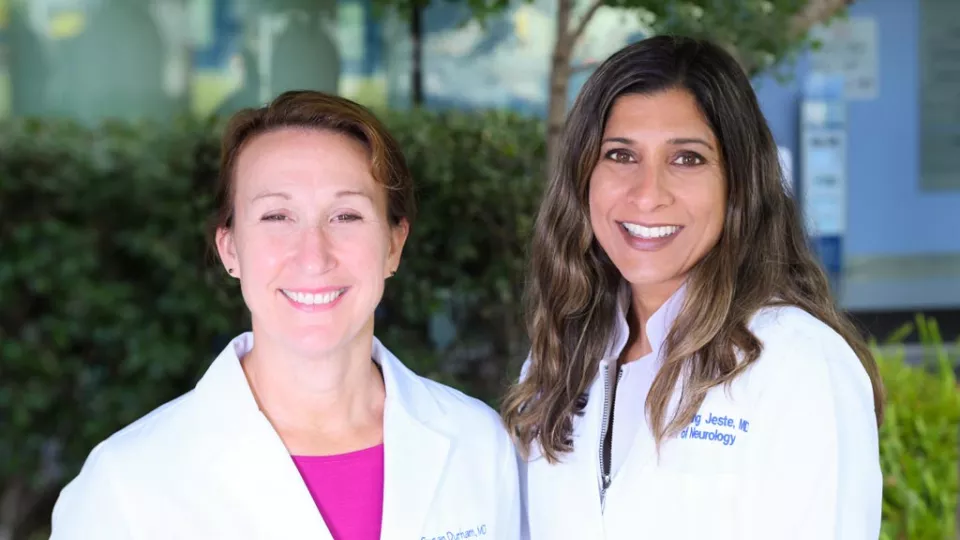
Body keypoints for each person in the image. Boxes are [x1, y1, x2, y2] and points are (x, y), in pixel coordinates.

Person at [51, 91, 521, 540]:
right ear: (230, 247)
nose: (313, 256)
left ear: (393, 245)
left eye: (346, 216)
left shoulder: (480, 443)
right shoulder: (126, 483)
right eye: (277, 217)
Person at [502, 35, 883, 540]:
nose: (647, 194)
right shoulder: (558, 360)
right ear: (583, 177)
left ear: (739, 184)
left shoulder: (799, 362)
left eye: (687, 159)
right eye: (620, 155)